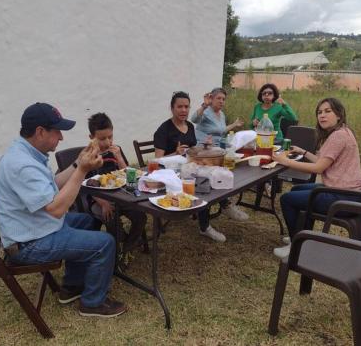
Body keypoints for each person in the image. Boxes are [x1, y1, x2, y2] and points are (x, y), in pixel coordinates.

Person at [0, 102, 126, 318]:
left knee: (85, 221)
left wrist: (77, 163)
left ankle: (72, 286)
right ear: (40, 131)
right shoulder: (22, 165)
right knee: (105, 243)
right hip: (29, 244)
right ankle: (93, 302)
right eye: (57, 131)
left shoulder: (27, 154)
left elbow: (53, 184)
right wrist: (83, 170)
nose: (61, 138)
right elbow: (56, 209)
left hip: (34, 228)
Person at [271, 97, 361, 259]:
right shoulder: (343, 131)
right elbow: (324, 162)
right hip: (352, 193)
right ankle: (303, 235)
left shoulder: (338, 136)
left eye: (327, 111)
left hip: (344, 198)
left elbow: (319, 168)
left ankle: (297, 245)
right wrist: (303, 152)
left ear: (339, 114)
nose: (322, 115)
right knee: (297, 189)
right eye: (319, 112)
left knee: (287, 199)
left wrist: (284, 161)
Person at [153, 91, 244, 243]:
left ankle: (225, 204)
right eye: (179, 107)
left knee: (215, 173)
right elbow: (157, 161)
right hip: (170, 174)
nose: (183, 110)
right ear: (172, 108)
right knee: (204, 182)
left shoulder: (189, 126)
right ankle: (205, 226)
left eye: (186, 107)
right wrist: (175, 153)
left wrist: (204, 145)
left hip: (188, 169)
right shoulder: (164, 130)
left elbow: (192, 150)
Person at [84, 112, 147, 252]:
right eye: (102, 139)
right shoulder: (88, 157)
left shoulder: (115, 151)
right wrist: (103, 203)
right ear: (91, 138)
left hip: (120, 196)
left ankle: (127, 247)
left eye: (110, 137)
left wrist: (119, 157)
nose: (107, 142)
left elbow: (130, 177)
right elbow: (88, 185)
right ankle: (119, 244)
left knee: (141, 216)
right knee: (111, 220)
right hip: (99, 200)